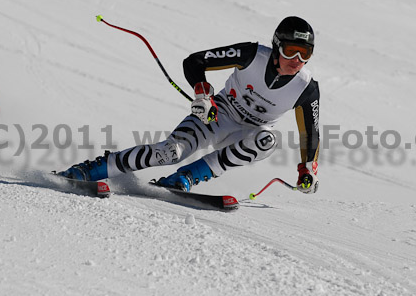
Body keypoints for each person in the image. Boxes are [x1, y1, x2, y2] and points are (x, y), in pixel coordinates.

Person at [58, 16, 320, 193]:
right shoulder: (252, 54)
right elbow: (195, 61)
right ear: (276, 47)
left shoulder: (306, 89)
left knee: (267, 141)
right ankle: (89, 170)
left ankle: (184, 178)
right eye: (290, 51)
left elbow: (311, 133)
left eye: (304, 54)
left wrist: (307, 169)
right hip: (217, 115)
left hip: (246, 135)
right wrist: (202, 93)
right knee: (170, 152)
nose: (296, 60)